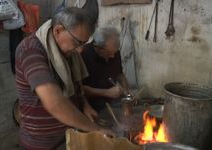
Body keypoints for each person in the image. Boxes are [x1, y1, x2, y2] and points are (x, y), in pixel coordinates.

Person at [15, 8, 114, 150]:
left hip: (67, 136)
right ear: (58, 30)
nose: (80, 50)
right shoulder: (30, 50)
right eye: (77, 42)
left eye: (83, 44)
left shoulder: (68, 52)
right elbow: (54, 103)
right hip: (41, 144)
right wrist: (95, 129)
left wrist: (85, 104)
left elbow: (76, 83)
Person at [81, 26, 129, 112]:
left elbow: (120, 74)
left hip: (113, 104)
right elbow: (80, 89)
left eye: (115, 53)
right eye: (109, 53)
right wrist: (107, 92)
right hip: (92, 107)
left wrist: (127, 93)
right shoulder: (83, 54)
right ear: (98, 48)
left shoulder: (114, 52)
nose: (113, 56)